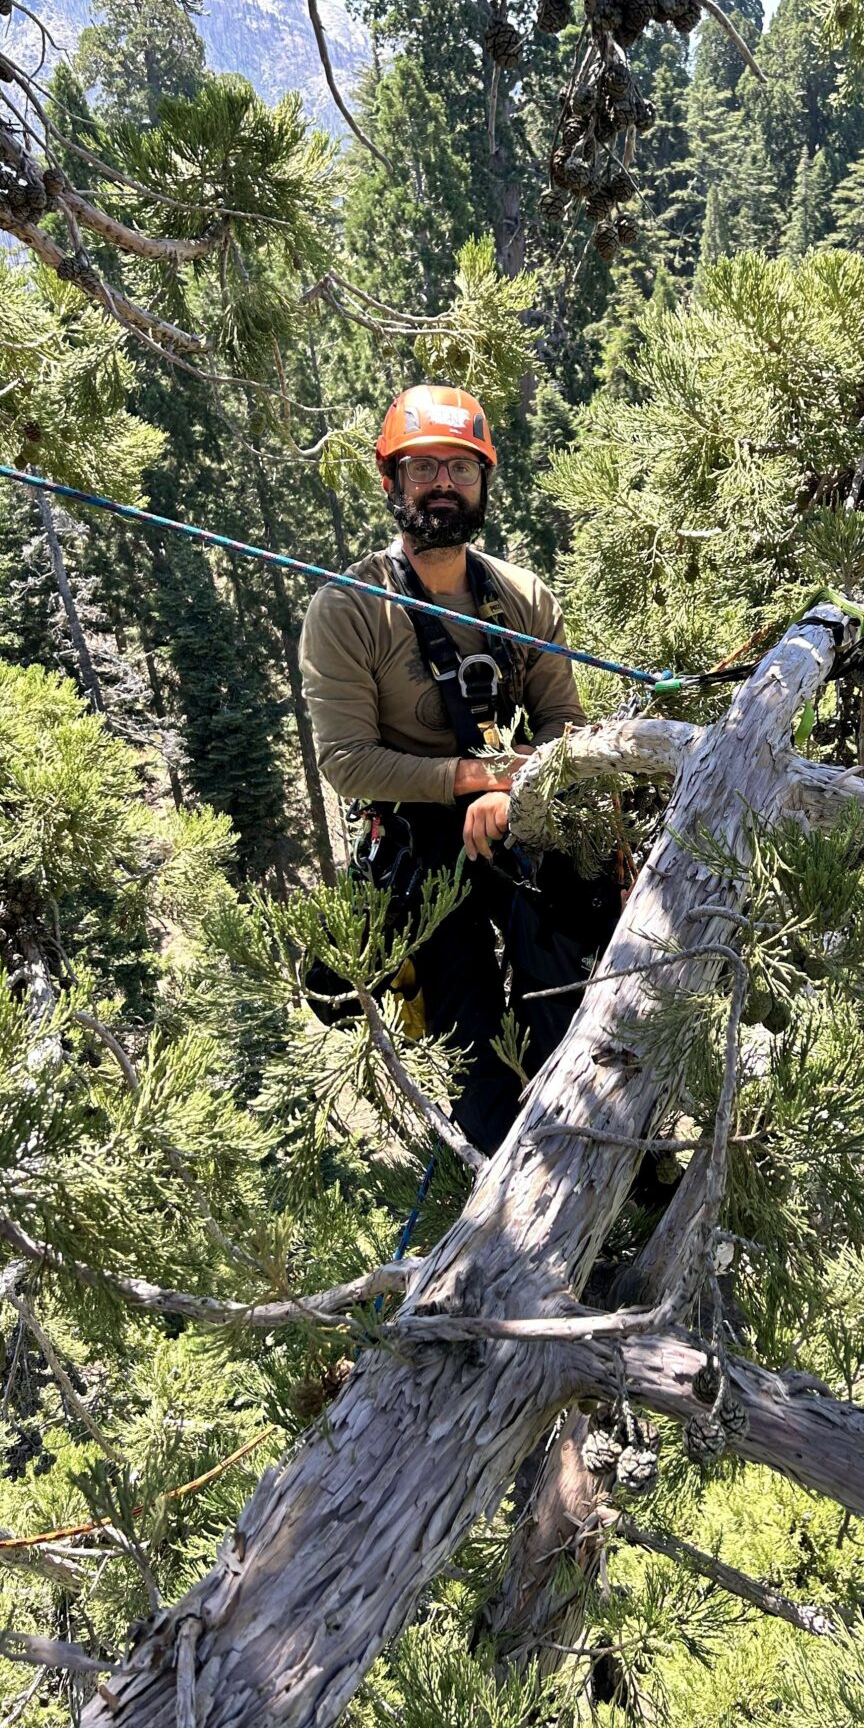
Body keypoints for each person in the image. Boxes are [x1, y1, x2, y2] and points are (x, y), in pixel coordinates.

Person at [298, 383, 618, 1157]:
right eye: (423, 469)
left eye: (460, 470)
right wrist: (473, 782)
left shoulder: (520, 598)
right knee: (472, 1061)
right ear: (391, 481)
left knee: (569, 997)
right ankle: (498, 1181)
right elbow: (346, 763)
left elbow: (565, 727)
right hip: (418, 844)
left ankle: (603, 1150)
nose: (443, 485)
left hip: (516, 822)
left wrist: (517, 789)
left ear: (483, 484)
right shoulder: (348, 611)